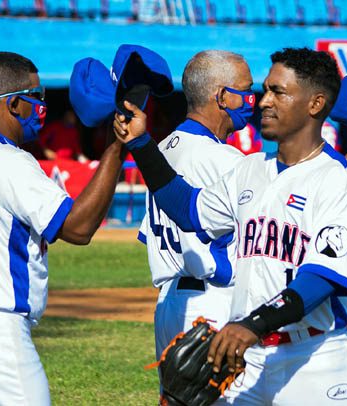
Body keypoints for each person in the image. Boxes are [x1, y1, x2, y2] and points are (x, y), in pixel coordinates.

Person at [115, 48, 347, 405]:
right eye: (264, 89)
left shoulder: (339, 181)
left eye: (278, 92)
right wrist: (141, 144)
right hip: (249, 362)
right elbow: (187, 209)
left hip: (316, 359)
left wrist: (252, 325)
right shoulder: (249, 169)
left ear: (315, 104)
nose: (263, 101)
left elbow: (321, 279)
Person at [0, 51, 140, 405]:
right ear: (15, 104)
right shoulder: (7, 160)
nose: (41, 108)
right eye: (37, 98)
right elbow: (78, 228)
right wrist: (115, 147)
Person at [137, 50, 253, 365]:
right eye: (245, 91)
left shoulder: (159, 150)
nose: (251, 100)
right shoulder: (227, 160)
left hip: (168, 304)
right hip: (214, 303)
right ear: (222, 97)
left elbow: (150, 235)